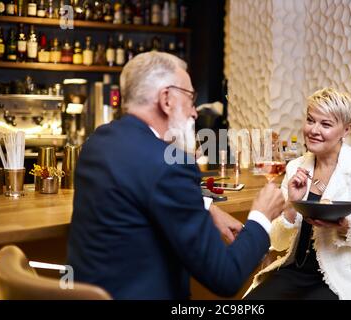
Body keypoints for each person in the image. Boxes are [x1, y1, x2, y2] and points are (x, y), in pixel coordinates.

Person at [67, 52, 285, 299]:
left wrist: (206, 207)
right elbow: (226, 277)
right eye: (191, 98)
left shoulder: (99, 141)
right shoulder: (169, 166)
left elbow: (139, 187)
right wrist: (261, 218)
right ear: (166, 99)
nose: (194, 112)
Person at [244, 87, 351, 300]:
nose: (314, 130)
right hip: (297, 269)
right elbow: (277, 243)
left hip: (342, 274)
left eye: (326, 124)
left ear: (347, 129)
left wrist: (346, 228)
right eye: (310, 120)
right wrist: (290, 206)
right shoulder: (295, 166)